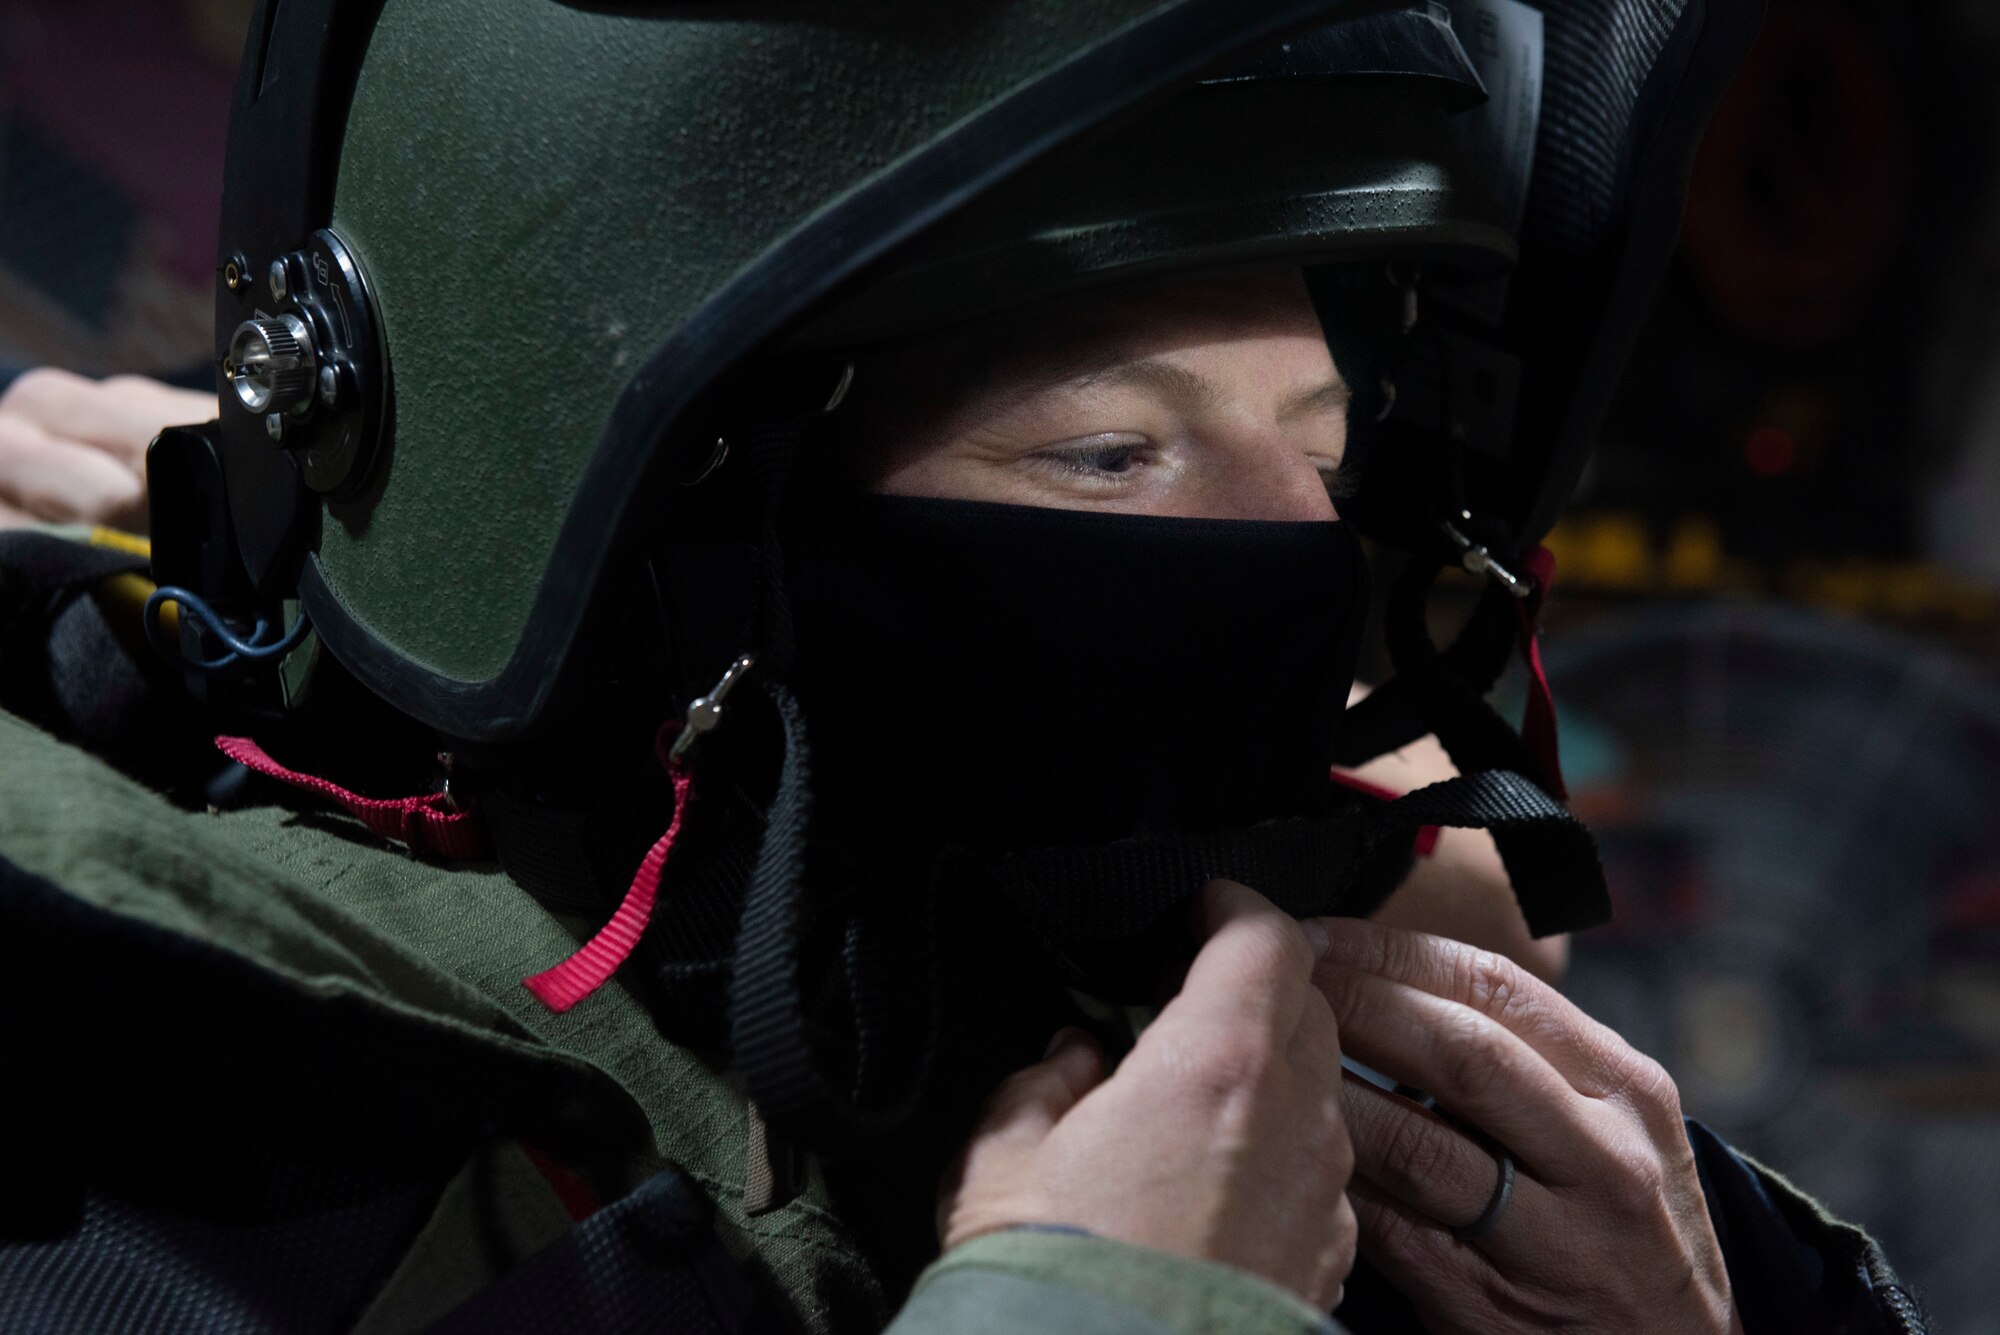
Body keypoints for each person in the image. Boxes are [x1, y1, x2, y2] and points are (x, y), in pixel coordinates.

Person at [0, 2, 1924, 1333]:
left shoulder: (1482, 1162)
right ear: (671, 531)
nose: (1300, 561)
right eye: (1108, 452)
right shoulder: (171, 1144)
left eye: (1327, 444)